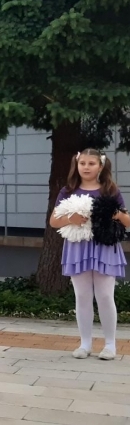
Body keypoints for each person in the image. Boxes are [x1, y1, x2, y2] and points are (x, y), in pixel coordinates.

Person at [50, 148, 129, 361]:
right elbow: (54, 221)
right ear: (77, 165)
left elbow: (127, 220)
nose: (86, 167)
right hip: (78, 247)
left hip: (104, 246)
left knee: (104, 296)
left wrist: (115, 214)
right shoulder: (68, 191)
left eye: (91, 163)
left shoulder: (110, 191)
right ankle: (85, 344)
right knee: (82, 296)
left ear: (101, 166)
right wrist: (71, 219)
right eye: (82, 163)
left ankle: (110, 344)